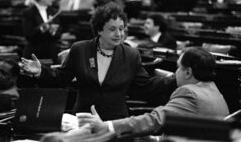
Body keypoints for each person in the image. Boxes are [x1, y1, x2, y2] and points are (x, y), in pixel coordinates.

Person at [20, 2, 176, 121]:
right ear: (99, 29)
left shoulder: (131, 55)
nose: (119, 34)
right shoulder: (80, 49)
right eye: (112, 29)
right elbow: (62, 76)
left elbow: (146, 86)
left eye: (121, 28)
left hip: (116, 123)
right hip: (83, 119)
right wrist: (42, 71)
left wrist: (174, 80)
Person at [74, 46, 229, 141]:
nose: (175, 73)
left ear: (188, 72)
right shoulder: (214, 91)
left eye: (178, 68)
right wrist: (154, 139)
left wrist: (107, 126)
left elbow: (155, 120)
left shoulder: (189, 93)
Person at [22, 0, 61, 64]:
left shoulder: (54, 11)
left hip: (51, 54)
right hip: (34, 54)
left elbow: (58, 34)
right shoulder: (29, 12)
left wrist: (53, 31)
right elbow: (28, 35)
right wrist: (43, 28)